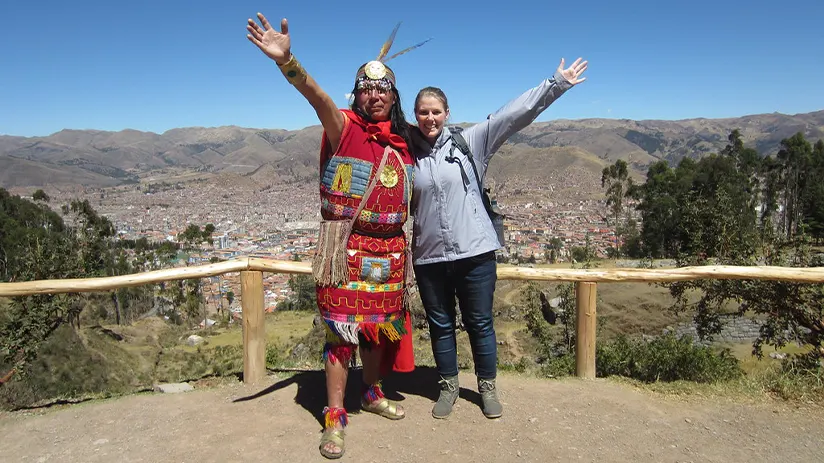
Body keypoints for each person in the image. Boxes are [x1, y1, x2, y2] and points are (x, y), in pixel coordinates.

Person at [247, 13, 423, 459]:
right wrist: (289, 62)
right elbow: (316, 96)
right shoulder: (343, 128)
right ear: (357, 94)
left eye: (383, 89)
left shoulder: (402, 143)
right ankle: (335, 415)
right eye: (367, 88)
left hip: (391, 255)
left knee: (379, 332)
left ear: (393, 97)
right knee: (340, 336)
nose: (375, 95)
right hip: (345, 251)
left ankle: (372, 391)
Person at [410, 57, 588, 419]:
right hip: (429, 257)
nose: (430, 118)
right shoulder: (407, 152)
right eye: (423, 112)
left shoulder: (469, 142)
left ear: (447, 112)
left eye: (436, 112)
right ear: (415, 115)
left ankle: (487, 388)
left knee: (479, 322)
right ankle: (448, 386)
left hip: (475, 252)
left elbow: (512, 115)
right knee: (441, 325)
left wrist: (556, 83)